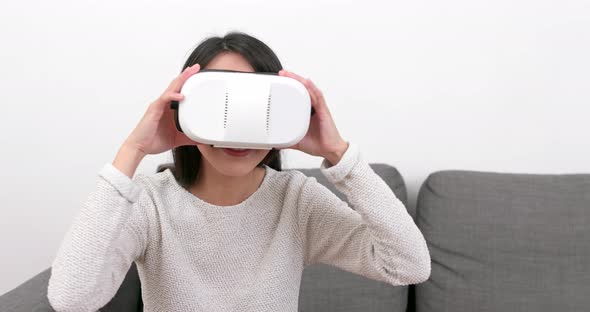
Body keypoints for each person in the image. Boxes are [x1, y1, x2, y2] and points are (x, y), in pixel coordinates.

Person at [47, 31, 431, 312]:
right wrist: (131, 152)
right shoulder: (151, 201)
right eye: (220, 104)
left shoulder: (296, 200)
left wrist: (339, 154)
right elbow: (71, 298)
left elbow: (408, 265)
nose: (238, 128)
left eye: (258, 108)